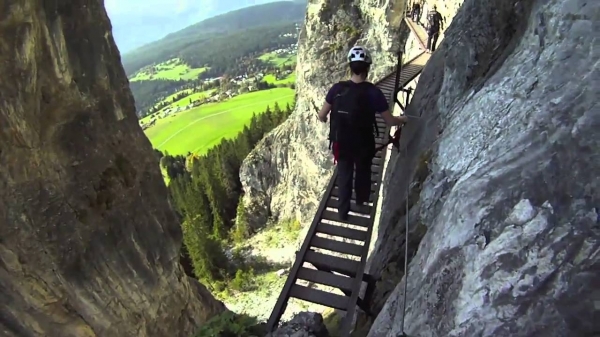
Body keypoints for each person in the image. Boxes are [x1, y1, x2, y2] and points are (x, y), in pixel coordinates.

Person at [317, 46, 408, 220]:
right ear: (367, 68)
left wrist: (325, 119)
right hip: (364, 143)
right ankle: (361, 201)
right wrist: (402, 120)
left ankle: (343, 213)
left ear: (350, 67)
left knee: (344, 175)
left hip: (341, 142)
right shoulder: (374, 92)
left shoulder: (337, 89)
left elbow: (322, 115)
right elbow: (389, 121)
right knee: (363, 172)